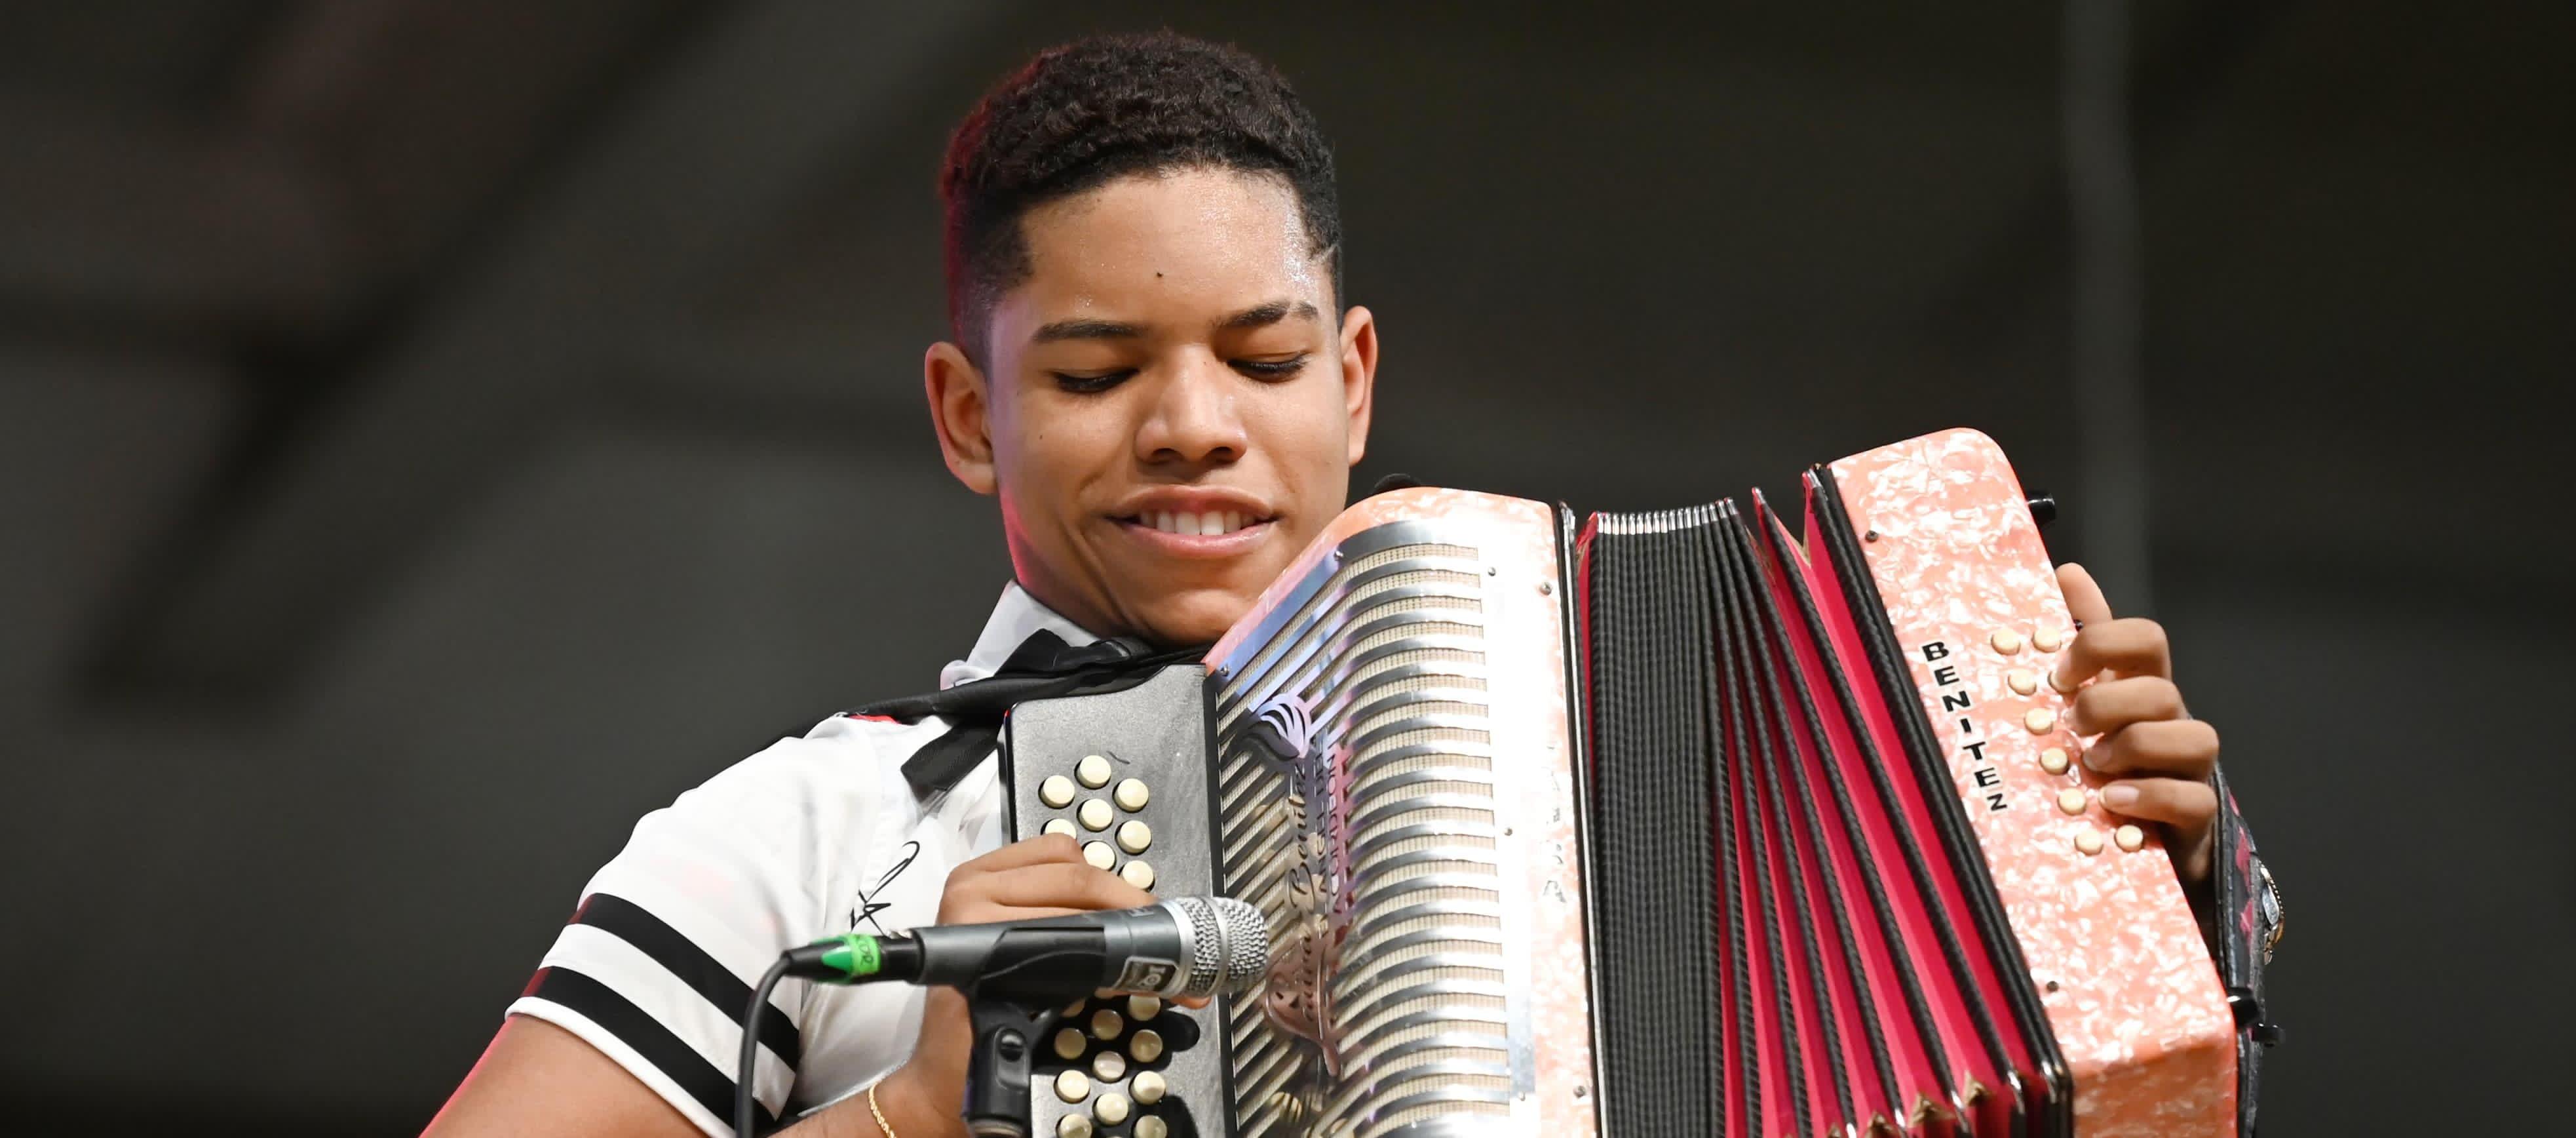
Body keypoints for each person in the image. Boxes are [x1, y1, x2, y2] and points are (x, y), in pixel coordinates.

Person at [424, 31, 2236, 1138]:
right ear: (970, 416)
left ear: (1353, 383)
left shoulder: (1654, 770)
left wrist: (2145, 902)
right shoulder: (796, 842)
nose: (1192, 427)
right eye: (1093, 372)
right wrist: (907, 1115)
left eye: (1263, 361)